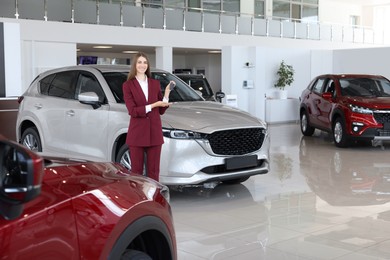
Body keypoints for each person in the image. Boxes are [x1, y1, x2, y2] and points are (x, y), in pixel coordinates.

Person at [122, 52, 174, 182]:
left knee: (154, 171)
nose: (142, 65)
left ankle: (153, 198)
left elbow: (161, 110)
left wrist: (166, 94)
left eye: (145, 62)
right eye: (139, 62)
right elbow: (133, 111)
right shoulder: (128, 85)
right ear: (134, 65)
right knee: (136, 172)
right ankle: (138, 198)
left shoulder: (154, 83)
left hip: (154, 132)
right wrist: (153, 105)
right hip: (137, 133)